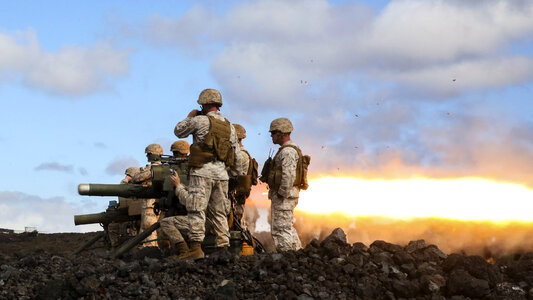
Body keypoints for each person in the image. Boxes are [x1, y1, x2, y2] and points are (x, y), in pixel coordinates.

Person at [173, 88, 239, 260]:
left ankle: (196, 248)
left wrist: (190, 116)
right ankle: (223, 247)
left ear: (204, 104)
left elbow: (178, 131)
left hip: (201, 173)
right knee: (219, 212)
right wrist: (228, 172)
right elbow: (235, 154)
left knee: (197, 209)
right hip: (221, 175)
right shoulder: (230, 127)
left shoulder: (200, 121)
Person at [262, 118, 303, 251]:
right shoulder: (287, 150)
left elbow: (288, 176)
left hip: (284, 196)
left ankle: (287, 257)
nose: (271, 136)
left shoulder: (287, 152)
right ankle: (297, 255)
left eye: (273, 133)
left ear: (281, 133)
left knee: (280, 229)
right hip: (286, 196)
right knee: (287, 228)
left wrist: (281, 194)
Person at [132, 144, 164, 247]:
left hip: (150, 205)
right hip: (160, 204)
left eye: (148, 154)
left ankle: (150, 251)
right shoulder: (166, 167)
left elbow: (137, 178)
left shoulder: (153, 169)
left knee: (148, 230)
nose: (147, 157)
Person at [229, 124, 257, 228]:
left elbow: (234, 175)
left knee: (235, 227)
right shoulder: (242, 153)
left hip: (234, 197)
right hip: (236, 197)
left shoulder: (240, 155)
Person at [108, 166, 140, 251]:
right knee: (112, 226)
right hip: (126, 214)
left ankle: (134, 249)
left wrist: (126, 180)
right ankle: (115, 247)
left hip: (137, 216)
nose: (127, 177)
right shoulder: (126, 186)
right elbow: (121, 191)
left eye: (129, 175)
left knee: (132, 228)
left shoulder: (139, 186)